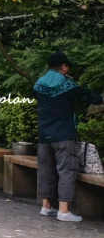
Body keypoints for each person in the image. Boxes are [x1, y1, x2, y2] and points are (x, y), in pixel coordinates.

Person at [34, 51, 103, 222]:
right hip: (64, 135)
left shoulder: (38, 85)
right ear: (63, 67)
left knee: (46, 170)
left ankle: (46, 206)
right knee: (66, 170)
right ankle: (64, 210)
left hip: (44, 135)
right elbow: (91, 98)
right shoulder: (67, 85)